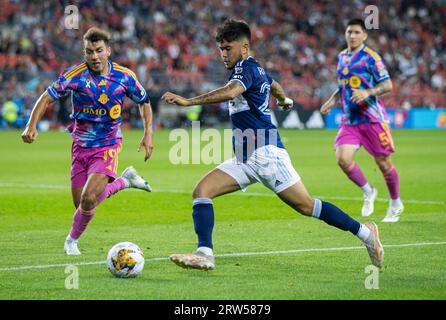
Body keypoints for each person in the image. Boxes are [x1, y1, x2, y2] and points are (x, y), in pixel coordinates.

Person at [162, 19, 384, 271]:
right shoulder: (255, 68)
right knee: (202, 191)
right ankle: (204, 253)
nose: (223, 54)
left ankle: (366, 233)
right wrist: (284, 99)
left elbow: (231, 91)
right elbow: (273, 84)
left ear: (244, 48)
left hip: (266, 154)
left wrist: (188, 102)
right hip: (246, 156)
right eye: (221, 48)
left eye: (228, 48)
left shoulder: (244, 69)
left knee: (306, 206)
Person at [21, 27, 154, 255]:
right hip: (80, 146)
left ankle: (71, 241)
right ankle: (125, 181)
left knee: (88, 198)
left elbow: (144, 101)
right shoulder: (75, 75)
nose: (94, 56)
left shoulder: (124, 76)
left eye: (99, 50)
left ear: (108, 51)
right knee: (82, 205)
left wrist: (148, 132)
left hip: (108, 144)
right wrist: (30, 125)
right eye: (89, 51)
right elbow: (46, 98)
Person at [320, 19, 403, 222]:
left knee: (383, 163)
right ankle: (368, 191)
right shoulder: (341, 57)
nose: (352, 35)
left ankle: (395, 203)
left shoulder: (371, 57)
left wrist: (368, 92)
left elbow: (387, 85)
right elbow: (343, 87)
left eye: (357, 32)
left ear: (364, 35)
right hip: (350, 120)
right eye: (349, 32)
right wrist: (331, 101)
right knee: (342, 158)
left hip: (372, 119)